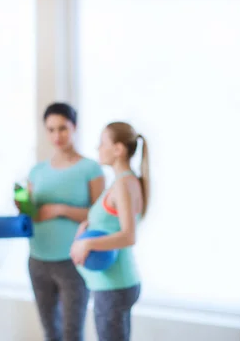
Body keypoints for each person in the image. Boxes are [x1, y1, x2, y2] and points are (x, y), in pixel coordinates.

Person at [23, 102, 105, 341]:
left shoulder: (91, 168)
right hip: (38, 260)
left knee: (72, 333)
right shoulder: (37, 171)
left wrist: (61, 209)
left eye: (62, 128)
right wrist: (24, 207)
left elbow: (100, 216)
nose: (56, 135)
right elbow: (33, 215)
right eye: (50, 130)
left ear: (74, 127)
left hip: (73, 262)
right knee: (51, 331)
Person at [70, 121, 148, 341]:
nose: (98, 148)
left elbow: (128, 235)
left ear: (118, 149)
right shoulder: (126, 182)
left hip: (113, 285)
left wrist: (86, 243)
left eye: (102, 143)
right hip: (116, 284)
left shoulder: (123, 184)